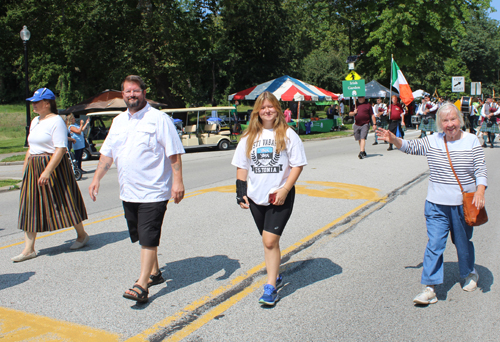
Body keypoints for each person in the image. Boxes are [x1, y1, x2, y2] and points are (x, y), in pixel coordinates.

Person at [376, 102, 487, 306]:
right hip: (436, 204)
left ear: (460, 120)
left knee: (462, 243)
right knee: (435, 244)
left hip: (463, 205)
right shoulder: (433, 141)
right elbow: (412, 147)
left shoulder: (471, 141)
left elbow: (480, 169)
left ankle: (469, 272)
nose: (449, 124)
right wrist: (394, 140)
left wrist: (480, 190)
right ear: (439, 123)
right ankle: (430, 287)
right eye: (445, 120)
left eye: (453, 119)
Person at [89, 75, 185, 303]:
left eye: (136, 91)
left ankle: (142, 285)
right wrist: (96, 178)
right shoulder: (119, 121)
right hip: (128, 191)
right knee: (141, 234)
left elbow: (174, 153)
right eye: (127, 92)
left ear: (144, 92)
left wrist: (178, 181)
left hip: (154, 190)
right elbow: (107, 153)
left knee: (148, 236)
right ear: (122, 94)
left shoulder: (158, 119)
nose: (131, 95)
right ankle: (155, 272)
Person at [231, 91, 307, 306]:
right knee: (269, 243)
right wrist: (240, 192)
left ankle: (270, 287)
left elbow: (297, 164)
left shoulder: (288, 134)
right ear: (257, 111)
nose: (267, 110)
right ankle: (275, 273)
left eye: (271, 106)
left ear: (277, 109)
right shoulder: (248, 137)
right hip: (256, 197)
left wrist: (284, 190)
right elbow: (242, 166)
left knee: (270, 240)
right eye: (263, 107)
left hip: (279, 196)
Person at [12, 88, 89, 263]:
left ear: (47, 103)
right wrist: (25, 169)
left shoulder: (57, 121)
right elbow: (31, 148)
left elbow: (61, 148)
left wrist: (47, 171)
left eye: (36, 102)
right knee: (29, 204)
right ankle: (29, 248)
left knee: (63, 200)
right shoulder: (35, 121)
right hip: (34, 164)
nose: (33, 105)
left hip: (53, 165)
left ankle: (82, 235)